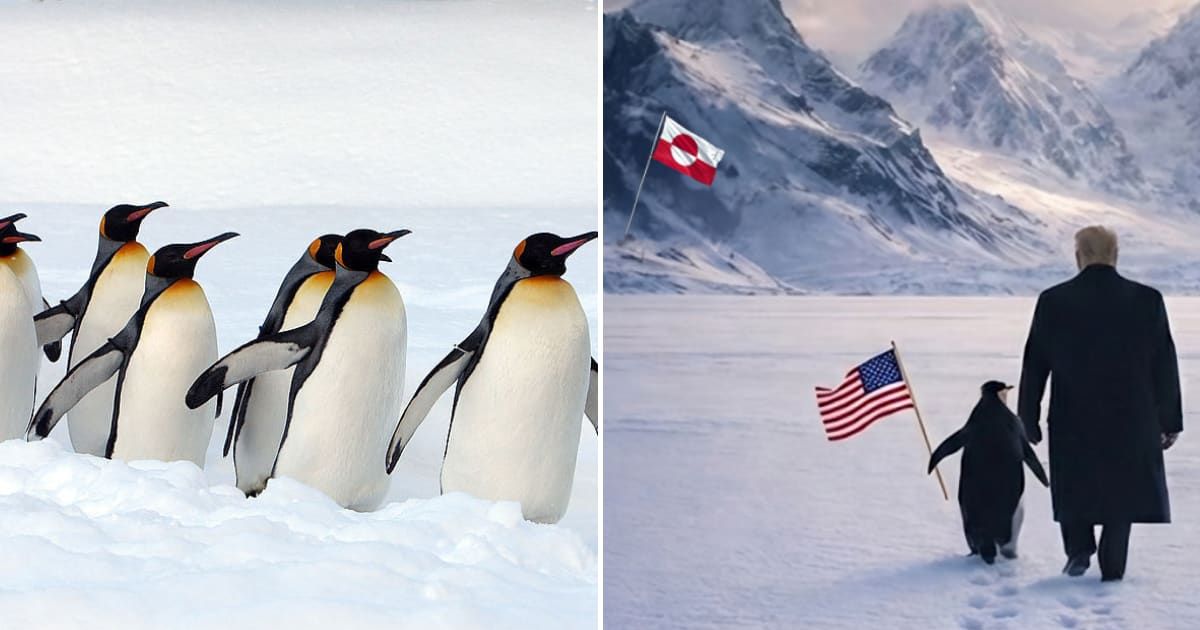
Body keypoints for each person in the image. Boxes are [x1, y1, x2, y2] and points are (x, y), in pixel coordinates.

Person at [1018, 225, 1181, 582]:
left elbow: (1035, 365)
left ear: (1079, 257)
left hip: (1072, 413)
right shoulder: (1147, 299)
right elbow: (1164, 363)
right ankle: (1113, 563)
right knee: (1122, 488)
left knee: (1074, 479)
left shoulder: (1054, 300)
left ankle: (1078, 548)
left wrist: (1027, 417)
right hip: (1133, 416)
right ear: (1115, 256)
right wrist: (1170, 420)